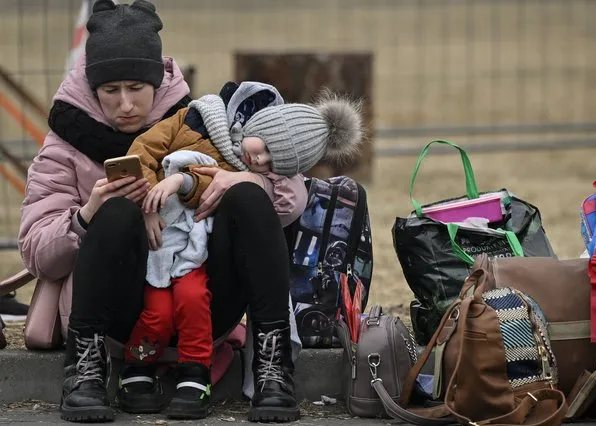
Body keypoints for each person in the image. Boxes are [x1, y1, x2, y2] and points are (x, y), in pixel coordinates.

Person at [16, 0, 309, 423]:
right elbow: (37, 253)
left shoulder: (201, 120)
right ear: (91, 88)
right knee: (116, 210)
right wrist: (86, 215)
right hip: (118, 311)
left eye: (136, 88)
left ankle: (272, 367)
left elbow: (290, 201)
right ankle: (86, 371)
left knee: (248, 196)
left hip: (205, 299)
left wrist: (243, 179)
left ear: (157, 81)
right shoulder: (65, 143)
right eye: (110, 91)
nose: (125, 104)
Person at [120, 86, 364, 419]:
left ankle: (256, 366)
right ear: (259, 126)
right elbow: (146, 154)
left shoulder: (275, 181)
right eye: (264, 148)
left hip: (207, 267)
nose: (260, 161)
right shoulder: (199, 118)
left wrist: (247, 179)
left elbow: (285, 205)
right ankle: (135, 366)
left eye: (273, 162)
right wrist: (149, 201)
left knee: (244, 206)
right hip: (161, 245)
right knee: (159, 307)